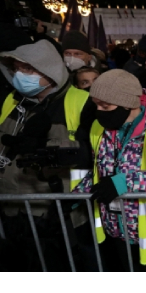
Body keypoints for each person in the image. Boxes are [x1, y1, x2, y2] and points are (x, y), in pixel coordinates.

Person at [72, 69, 146, 271]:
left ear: (128, 103)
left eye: (105, 105)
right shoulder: (98, 127)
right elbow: (100, 171)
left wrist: (125, 182)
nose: (99, 111)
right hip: (115, 229)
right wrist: (75, 195)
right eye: (96, 104)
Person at [0, 39, 96, 271]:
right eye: (16, 69)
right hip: (12, 210)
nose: (19, 75)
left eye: (28, 69)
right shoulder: (12, 100)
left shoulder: (82, 101)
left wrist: (45, 147)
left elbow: (94, 153)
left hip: (60, 214)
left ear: (48, 70)